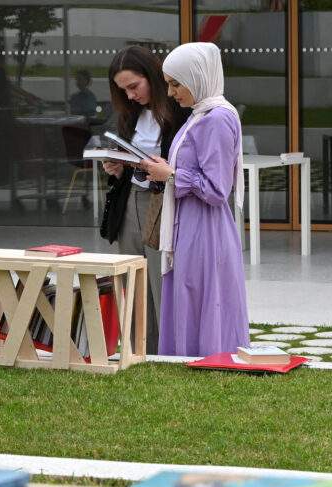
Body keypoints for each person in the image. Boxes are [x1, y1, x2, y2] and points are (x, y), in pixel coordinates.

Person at [140, 42, 249, 357]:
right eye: (168, 84)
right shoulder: (199, 115)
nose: (171, 93)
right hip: (189, 222)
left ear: (198, 76)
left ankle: (208, 356)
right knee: (189, 290)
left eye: (176, 83)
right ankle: (188, 356)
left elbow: (217, 190)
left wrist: (171, 176)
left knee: (202, 292)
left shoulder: (216, 118)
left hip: (204, 227)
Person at [101, 46, 190, 355]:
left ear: (151, 76)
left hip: (161, 204)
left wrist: (160, 168)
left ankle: (167, 352)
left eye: (134, 86)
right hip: (130, 204)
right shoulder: (130, 114)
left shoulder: (180, 113)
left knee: (160, 281)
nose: (130, 95)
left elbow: (182, 167)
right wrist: (115, 168)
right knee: (132, 281)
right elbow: (129, 161)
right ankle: (140, 350)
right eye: (123, 89)